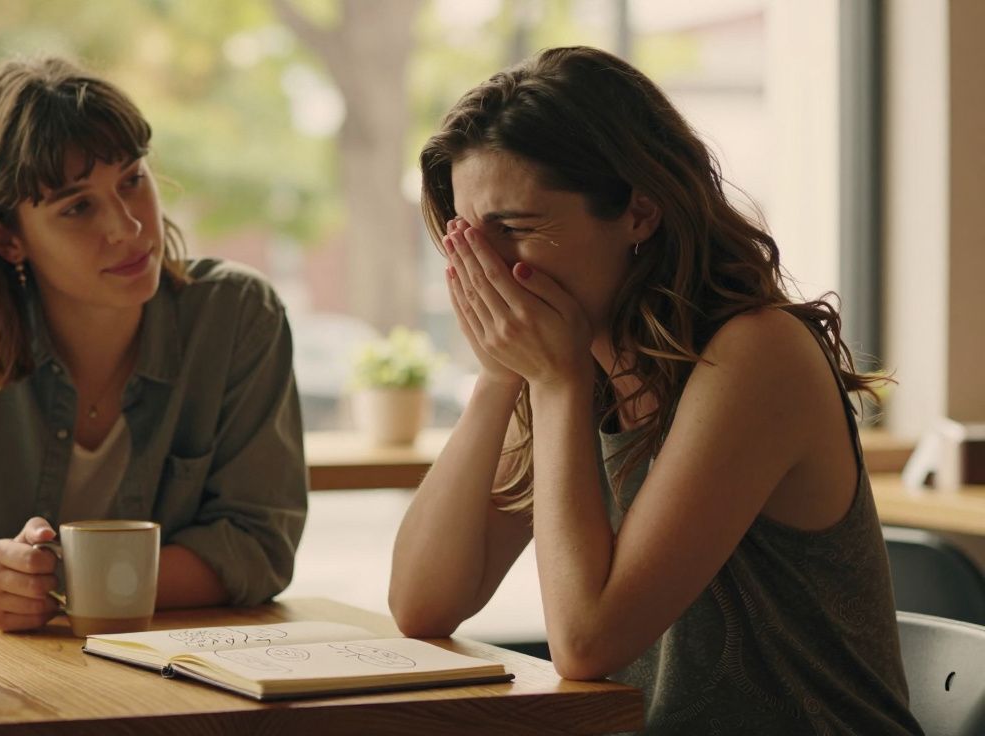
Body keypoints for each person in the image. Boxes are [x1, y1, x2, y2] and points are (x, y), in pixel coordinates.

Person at [389, 46, 921, 734]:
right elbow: (422, 604)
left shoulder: (756, 355)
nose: (485, 268)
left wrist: (551, 383)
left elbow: (587, 643)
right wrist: (501, 375)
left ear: (639, 213)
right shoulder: (565, 363)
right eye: (467, 238)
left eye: (516, 229)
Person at [0, 56, 308, 632]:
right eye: (77, 207)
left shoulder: (237, 316)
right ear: (6, 238)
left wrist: (57, 582)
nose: (127, 225)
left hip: (183, 686)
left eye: (132, 179)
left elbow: (256, 546)